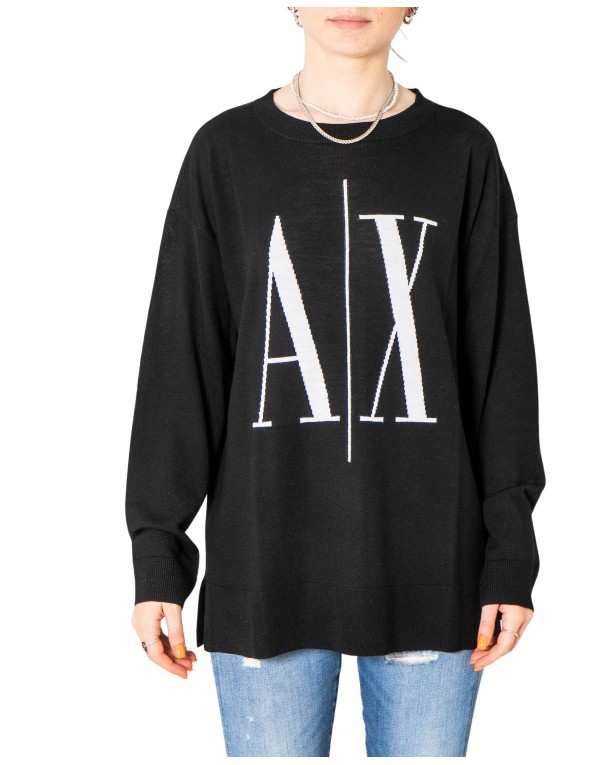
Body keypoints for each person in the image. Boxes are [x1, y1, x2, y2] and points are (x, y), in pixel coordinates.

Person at [125, 6, 546, 757]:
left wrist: (511, 558)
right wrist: (159, 554)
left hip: (431, 568)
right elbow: (180, 362)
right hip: (264, 565)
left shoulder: (462, 152)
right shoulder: (225, 153)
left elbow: (500, 367)